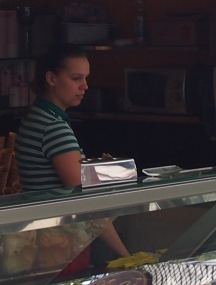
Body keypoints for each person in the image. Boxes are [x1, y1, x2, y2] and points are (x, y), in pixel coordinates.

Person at [16, 44, 130, 259]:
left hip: (46, 238)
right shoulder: (53, 127)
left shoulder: (35, 116)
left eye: (86, 78)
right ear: (51, 78)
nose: (85, 86)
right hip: (60, 244)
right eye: (76, 78)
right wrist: (126, 256)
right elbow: (86, 200)